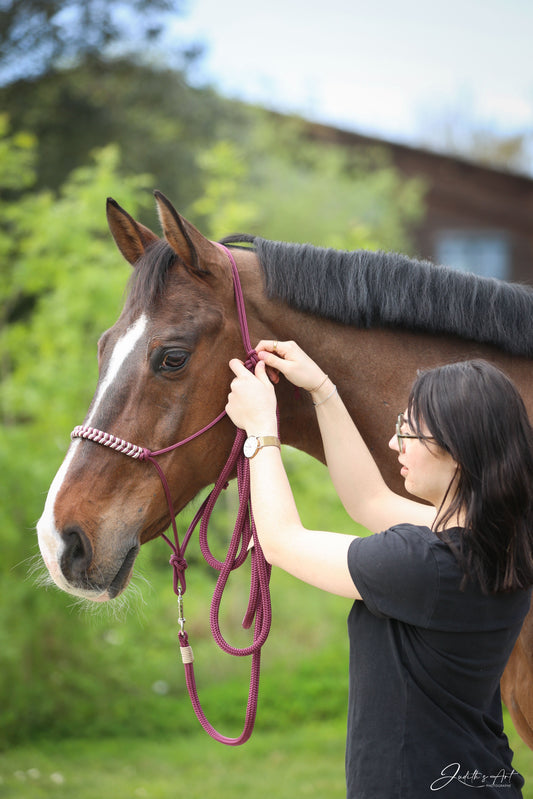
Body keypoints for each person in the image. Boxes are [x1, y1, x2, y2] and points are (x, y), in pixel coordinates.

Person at [225, 340, 533, 799]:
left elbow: (282, 541)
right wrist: (323, 390)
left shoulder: (424, 562)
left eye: (408, 432)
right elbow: (369, 500)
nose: (395, 443)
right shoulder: (504, 540)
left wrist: (259, 430)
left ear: (458, 451)